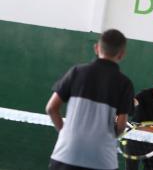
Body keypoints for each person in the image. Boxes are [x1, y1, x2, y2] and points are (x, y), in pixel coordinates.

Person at [45, 29, 134, 170]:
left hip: (66, 154)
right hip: (103, 160)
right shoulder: (125, 84)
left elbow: (51, 108)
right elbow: (121, 125)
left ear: (96, 48)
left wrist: (64, 133)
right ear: (122, 54)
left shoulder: (76, 72)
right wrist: (113, 137)